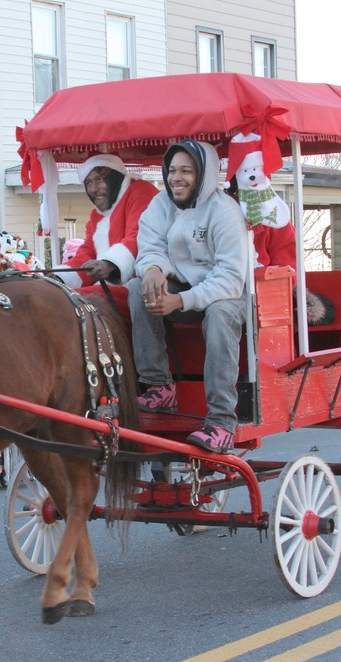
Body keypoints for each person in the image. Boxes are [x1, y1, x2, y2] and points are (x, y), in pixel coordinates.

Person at [128, 140, 249, 453]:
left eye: (186, 171)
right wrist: (153, 269)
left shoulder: (225, 212)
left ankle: (222, 422)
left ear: (204, 175)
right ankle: (158, 386)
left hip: (227, 295)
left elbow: (230, 280)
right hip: (180, 286)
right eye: (171, 170)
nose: (175, 178)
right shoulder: (160, 204)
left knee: (221, 315)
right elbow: (150, 244)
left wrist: (179, 301)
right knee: (137, 289)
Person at [55, 154, 158, 323]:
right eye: (88, 183)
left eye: (100, 179)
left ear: (115, 178)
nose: (94, 188)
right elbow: (87, 253)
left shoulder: (140, 191)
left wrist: (110, 264)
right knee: (58, 296)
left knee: (69, 301)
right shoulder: (96, 216)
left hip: (140, 286)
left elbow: (139, 237)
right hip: (111, 288)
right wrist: (60, 278)